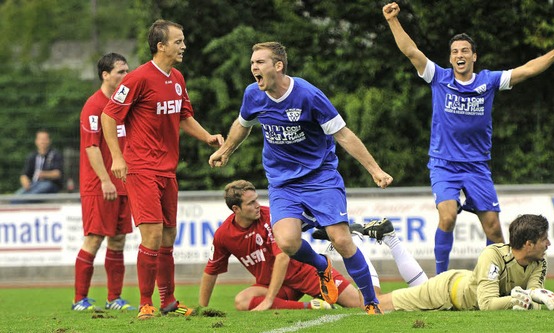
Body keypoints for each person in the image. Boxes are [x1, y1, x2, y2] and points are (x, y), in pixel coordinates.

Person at [382, 2, 554, 274]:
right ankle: (440, 278)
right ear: (450, 58)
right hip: (444, 164)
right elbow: (411, 51)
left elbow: (528, 70)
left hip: (476, 166)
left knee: (494, 229)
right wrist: (392, 21)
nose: (459, 55)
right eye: (454, 52)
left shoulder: (489, 81)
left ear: (474, 56)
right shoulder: (439, 78)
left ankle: (490, 279)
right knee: (447, 216)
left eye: (465, 51)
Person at [209, 42, 393, 314]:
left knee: (341, 240)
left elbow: (342, 134)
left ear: (278, 66)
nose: (253, 68)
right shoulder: (253, 94)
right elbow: (242, 124)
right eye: (252, 63)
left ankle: (370, 302)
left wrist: (375, 169)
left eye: (260, 62)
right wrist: (226, 150)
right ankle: (322, 267)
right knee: (287, 242)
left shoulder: (308, 95)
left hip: (320, 177)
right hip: (282, 183)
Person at [101, 19, 224, 320]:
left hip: (167, 170)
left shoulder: (178, 78)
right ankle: (146, 302)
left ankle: (168, 301)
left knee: (169, 236)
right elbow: (108, 116)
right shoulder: (138, 78)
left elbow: (183, 116)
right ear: (161, 46)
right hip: (141, 168)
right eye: (179, 41)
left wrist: (207, 136)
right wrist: (118, 158)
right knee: (153, 236)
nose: (184, 46)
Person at [199, 180, 364, 311]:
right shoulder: (224, 235)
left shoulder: (271, 217)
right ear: (236, 209)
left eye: (256, 199)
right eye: (250, 203)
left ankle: (390, 297)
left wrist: (269, 300)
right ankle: (312, 306)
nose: (257, 205)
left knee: (359, 303)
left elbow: (282, 257)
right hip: (277, 285)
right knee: (242, 301)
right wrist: (202, 309)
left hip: (305, 272)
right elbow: (211, 270)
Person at [377, 214, 554, 312]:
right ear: (528, 244)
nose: (548, 244)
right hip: (445, 291)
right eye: (544, 240)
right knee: (377, 305)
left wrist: (537, 297)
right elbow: (487, 304)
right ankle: (365, 243)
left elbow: (533, 295)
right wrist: (519, 300)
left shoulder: (539, 260)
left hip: (464, 288)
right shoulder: (492, 255)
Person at [72, 53, 134, 312]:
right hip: (99, 185)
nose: (125, 76)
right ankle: (79, 300)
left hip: (123, 184)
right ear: (105, 75)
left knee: (118, 240)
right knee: (94, 239)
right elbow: (91, 148)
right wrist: (105, 180)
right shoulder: (94, 106)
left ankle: (114, 299)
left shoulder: (124, 104)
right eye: (120, 71)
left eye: (127, 71)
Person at [16, 129, 63, 196]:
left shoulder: (55, 154)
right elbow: (24, 174)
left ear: (49, 141)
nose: (42, 142)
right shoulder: (32, 156)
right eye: (40, 139)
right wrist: (25, 181)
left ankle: (25, 199)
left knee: (40, 189)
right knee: (17, 195)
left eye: (45, 139)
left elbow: (57, 173)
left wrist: (43, 174)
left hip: (50, 184)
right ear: (36, 141)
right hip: (34, 184)